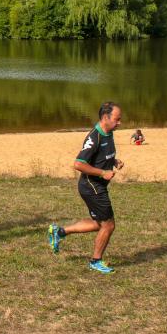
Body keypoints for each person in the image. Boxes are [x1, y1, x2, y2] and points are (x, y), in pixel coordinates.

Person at [48, 102, 125, 274]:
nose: (119, 122)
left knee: (100, 224)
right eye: (117, 119)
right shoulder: (94, 138)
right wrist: (102, 172)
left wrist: (113, 161)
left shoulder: (109, 132)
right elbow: (79, 164)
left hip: (96, 186)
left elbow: (102, 155)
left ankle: (59, 232)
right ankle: (95, 261)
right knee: (109, 225)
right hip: (92, 187)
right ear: (105, 118)